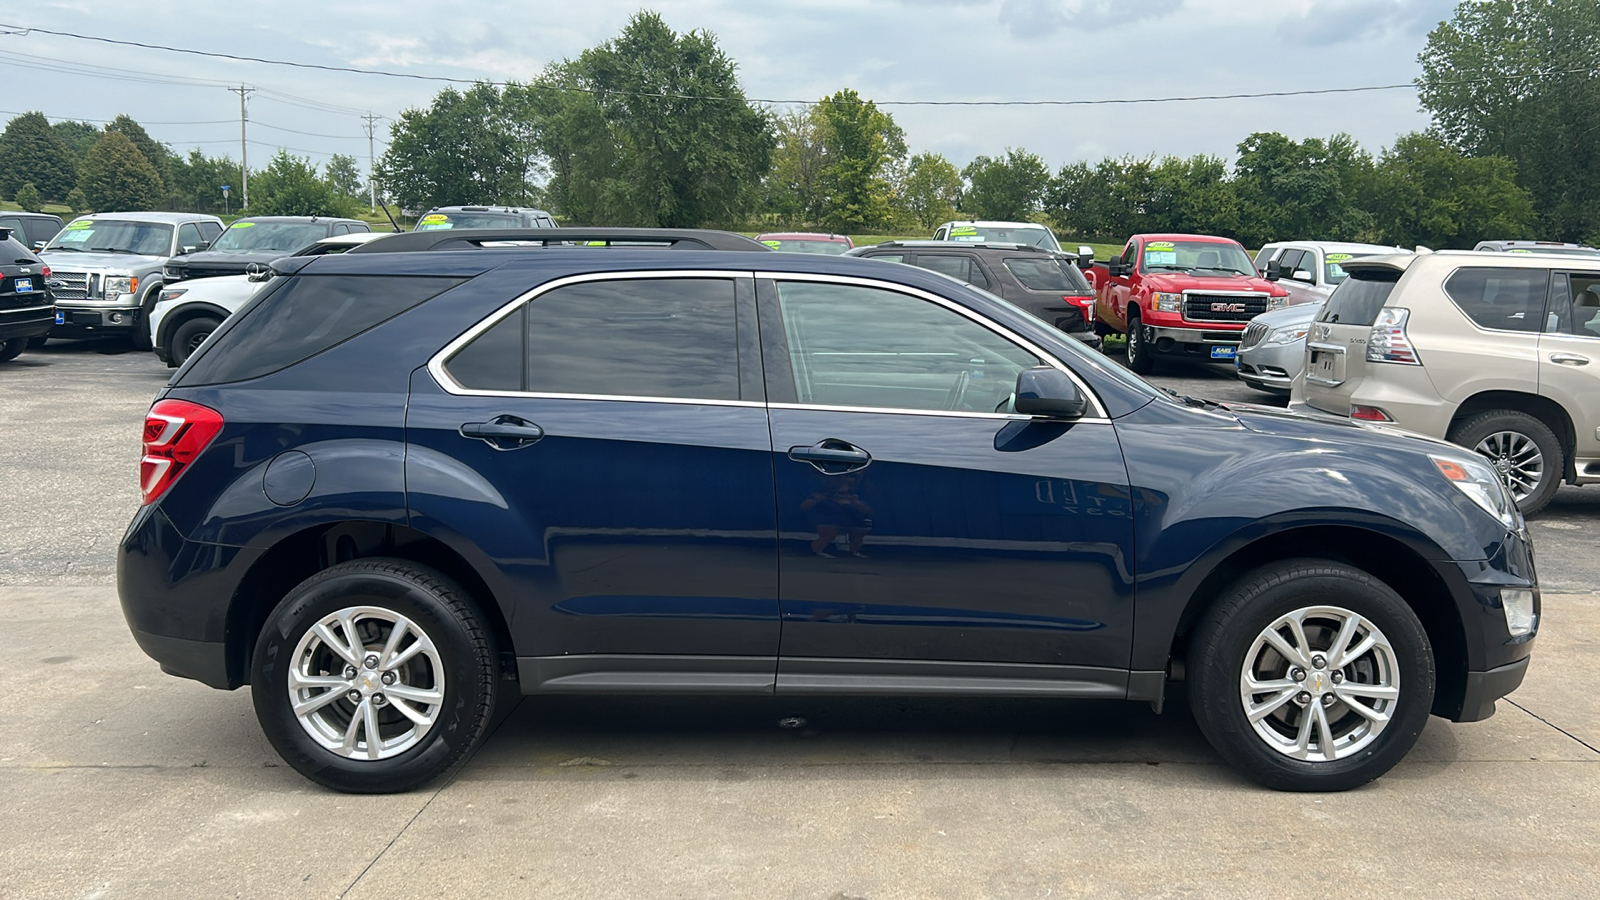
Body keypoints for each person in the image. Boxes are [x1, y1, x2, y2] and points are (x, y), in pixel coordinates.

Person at [799, 472, 873, 558]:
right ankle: (817, 550)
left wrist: (856, 503)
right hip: (828, 520)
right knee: (830, 531)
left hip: (852, 520)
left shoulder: (856, 496)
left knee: (859, 530)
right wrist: (816, 500)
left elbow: (869, 512)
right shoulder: (819, 494)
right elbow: (803, 507)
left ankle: (855, 551)